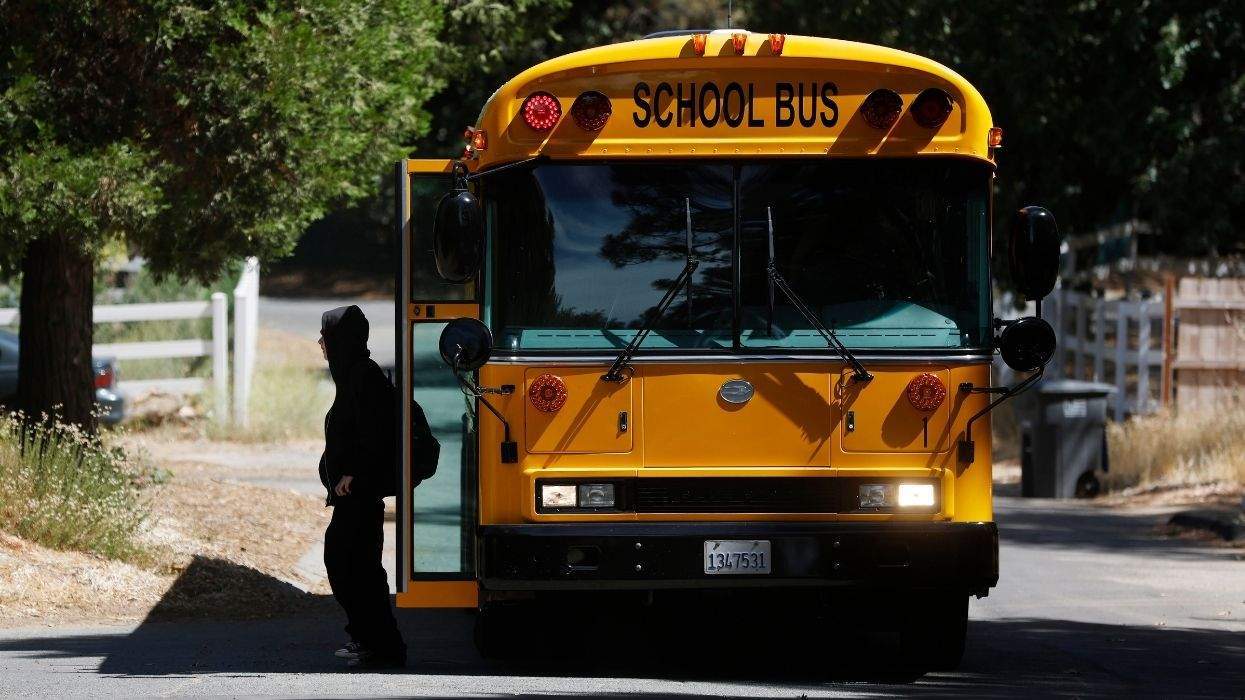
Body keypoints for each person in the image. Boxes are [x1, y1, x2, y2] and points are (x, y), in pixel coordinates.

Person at [318, 305, 406, 669]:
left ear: (342, 340)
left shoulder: (363, 376)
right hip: (354, 493)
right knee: (357, 566)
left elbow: (375, 434)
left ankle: (377, 642)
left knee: (350, 564)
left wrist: (354, 473)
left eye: (326, 336)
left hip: (360, 492)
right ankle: (374, 641)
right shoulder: (353, 374)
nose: (321, 343)